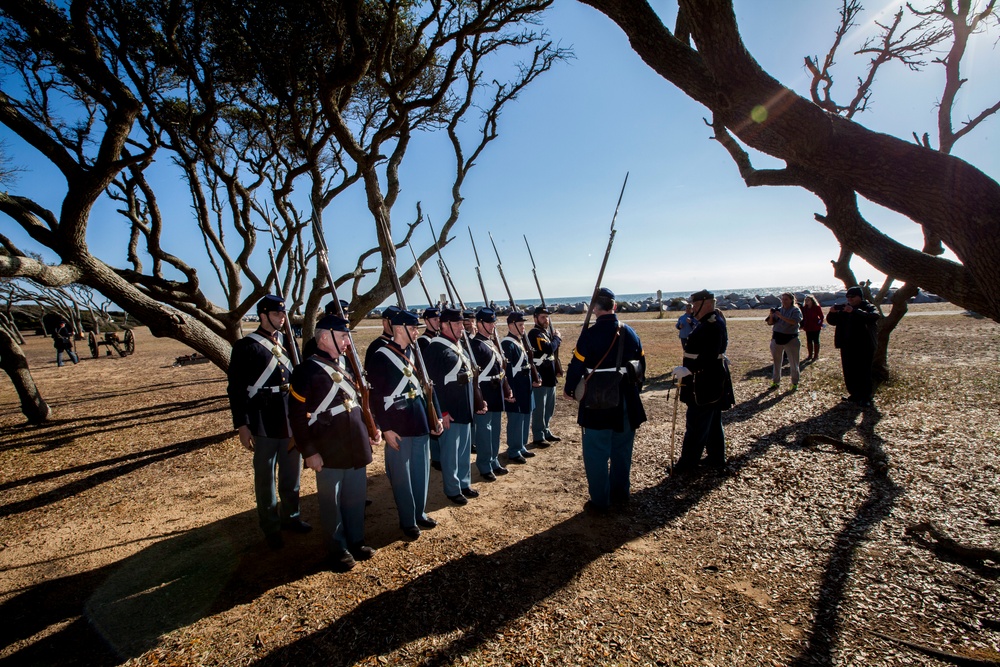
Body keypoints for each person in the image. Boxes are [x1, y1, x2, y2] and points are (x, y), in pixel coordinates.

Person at [288, 314, 379, 571]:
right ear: (325, 337)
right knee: (331, 503)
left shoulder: (345, 365)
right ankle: (336, 549)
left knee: (355, 497)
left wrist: (372, 431)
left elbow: (360, 402)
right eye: (343, 336)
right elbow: (297, 416)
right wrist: (309, 451)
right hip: (327, 448)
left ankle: (356, 540)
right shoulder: (306, 370)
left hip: (355, 443)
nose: (347, 341)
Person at [226, 295, 309, 550]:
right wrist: (242, 424)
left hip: (287, 416)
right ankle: (271, 526)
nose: (282, 318)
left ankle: (291, 516)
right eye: (276, 314)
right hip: (262, 418)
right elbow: (236, 389)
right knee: (265, 478)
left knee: (291, 473)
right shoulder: (246, 346)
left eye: (283, 314)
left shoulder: (287, 342)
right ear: (263, 315)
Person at [564, 288, 647, 513]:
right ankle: (621, 493)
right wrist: (633, 389)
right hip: (626, 399)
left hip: (597, 402)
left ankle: (600, 501)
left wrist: (570, 389)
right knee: (622, 450)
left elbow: (576, 367)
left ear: (594, 309)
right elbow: (641, 367)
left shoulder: (589, 335)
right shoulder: (630, 332)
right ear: (615, 307)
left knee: (596, 453)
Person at [364, 309, 443, 540]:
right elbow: (375, 397)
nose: (416, 331)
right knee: (402, 476)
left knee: (421, 472)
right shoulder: (381, 356)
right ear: (400, 329)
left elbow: (428, 387)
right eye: (413, 328)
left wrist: (436, 415)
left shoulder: (415, 353)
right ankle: (407, 519)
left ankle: (420, 512)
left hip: (420, 419)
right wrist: (385, 428)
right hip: (397, 425)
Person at [423, 307, 485, 504]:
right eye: (457, 324)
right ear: (444, 325)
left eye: (461, 323)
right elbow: (432, 385)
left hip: (464, 406)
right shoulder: (435, 348)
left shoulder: (459, 346)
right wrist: (442, 412)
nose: (462, 327)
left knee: (464, 450)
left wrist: (477, 400)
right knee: (450, 452)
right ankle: (452, 488)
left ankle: (464, 483)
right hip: (449, 409)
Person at [672, 289, 735, 474]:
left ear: (705, 303)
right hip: (707, 381)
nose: (692, 308)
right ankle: (716, 458)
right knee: (713, 422)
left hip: (704, 383)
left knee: (696, 424)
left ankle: (687, 464)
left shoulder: (712, 324)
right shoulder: (708, 322)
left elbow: (708, 355)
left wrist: (689, 369)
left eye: (694, 304)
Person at [470, 308, 514, 481]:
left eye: (493, 322)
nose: (492, 325)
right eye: (489, 322)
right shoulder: (475, 345)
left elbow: (500, 368)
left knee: (495, 430)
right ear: (479, 323)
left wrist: (506, 387)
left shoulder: (491, 342)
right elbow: (475, 376)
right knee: (484, 431)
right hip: (484, 391)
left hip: (496, 389)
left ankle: (494, 460)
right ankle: (484, 464)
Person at [826, 285, 880, 407]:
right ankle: (854, 394)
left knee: (864, 371)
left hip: (864, 344)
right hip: (846, 345)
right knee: (849, 371)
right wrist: (832, 313)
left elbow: (874, 316)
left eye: (852, 296)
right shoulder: (845, 308)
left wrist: (854, 311)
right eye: (848, 296)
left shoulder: (867, 306)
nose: (849, 299)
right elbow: (832, 322)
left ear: (860, 297)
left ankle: (866, 397)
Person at [501, 312, 540, 464]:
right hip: (516, 386)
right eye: (520, 324)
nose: (523, 327)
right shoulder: (507, 344)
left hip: (525, 385)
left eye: (523, 324)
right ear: (511, 325)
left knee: (525, 416)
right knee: (516, 420)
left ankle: (522, 446)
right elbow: (508, 371)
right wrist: (510, 390)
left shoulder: (520, 341)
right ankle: (514, 450)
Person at [527, 306, 562, 447]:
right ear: (535, 318)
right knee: (540, 408)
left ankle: (546, 430)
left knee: (549, 407)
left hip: (549, 375)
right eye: (542, 317)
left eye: (547, 317)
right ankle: (538, 435)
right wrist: (557, 338)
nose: (545, 319)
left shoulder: (545, 333)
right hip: (541, 374)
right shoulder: (535, 333)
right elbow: (548, 348)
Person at [417, 307, 443, 470]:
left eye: (439, 319)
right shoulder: (423, 341)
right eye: (434, 320)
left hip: (441, 385)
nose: (438, 322)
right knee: (433, 418)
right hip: (432, 385)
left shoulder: (439, 338)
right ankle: (436, 457)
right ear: (426, 321)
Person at [765, 292, 802, 391]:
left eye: (786, 299)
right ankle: (776, 382)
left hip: (791, 338)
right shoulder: (779, 310)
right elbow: (770, 322)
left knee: (794, 362)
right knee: (777, 362)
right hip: (777, 338)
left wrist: (781, 316)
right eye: (782, 299)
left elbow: (794, 321)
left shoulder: (795, 310)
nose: (784, 301)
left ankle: (794, 383)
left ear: (791, 300)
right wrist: (772, 315)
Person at [800, 295, 824, 361]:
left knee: (816, 340)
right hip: (808, 326)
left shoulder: (816, 307)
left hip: (816, 326)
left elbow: (821, 316)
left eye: (808, 300)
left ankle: (816, 355)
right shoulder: (805, 308)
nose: (807, 301)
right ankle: (810, 355)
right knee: (809, 340)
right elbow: (803, 317)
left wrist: (819, 323)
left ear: (812, 301)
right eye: (806, 300)